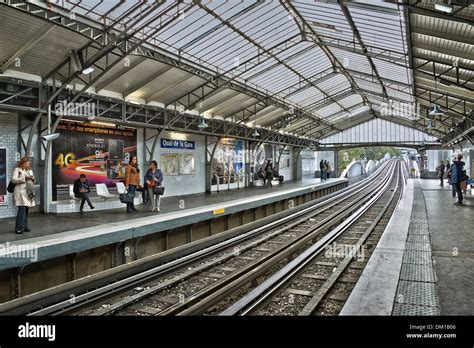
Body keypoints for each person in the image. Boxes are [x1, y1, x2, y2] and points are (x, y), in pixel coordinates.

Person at [11, 157, 35, 234]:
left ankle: (24, 227)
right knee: (22, 209)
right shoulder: (17, 170)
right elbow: (13, 179)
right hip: (20, 192)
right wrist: (24, 178)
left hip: (27, 192)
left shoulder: (29, 171)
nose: (28, 164)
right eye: (26, 163)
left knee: (26, 209)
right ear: (22, 163)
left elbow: (33, 181)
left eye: (28, 163)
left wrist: (33, 179)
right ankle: (18, 228)